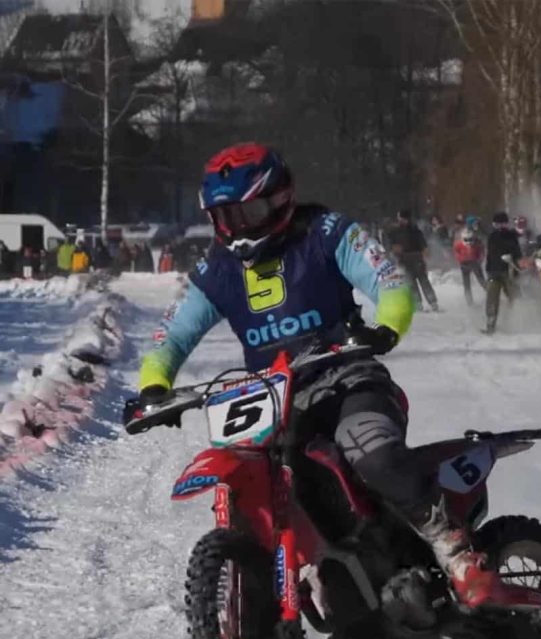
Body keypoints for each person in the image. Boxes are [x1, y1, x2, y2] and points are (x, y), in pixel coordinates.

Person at [124, 142, 512, 610]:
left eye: (250, 211)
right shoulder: (216, 270)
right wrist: (153, 386)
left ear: (281, 198)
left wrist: (386, 326)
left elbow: (390, 281)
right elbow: (172, 335)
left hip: (349, 377)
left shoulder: (327, 232)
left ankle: (455, 548)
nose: (239, 227)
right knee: (257, 480)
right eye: (227, 217)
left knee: (368, 448)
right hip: (275, 401)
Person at [389, 210, 437, 311]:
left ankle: (433, 302)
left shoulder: (414, 230)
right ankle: (417, 303)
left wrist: (425, 251)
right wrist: (393, 250)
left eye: (401, 218)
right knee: (411, 283)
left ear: (405, 218)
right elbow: (391, 244)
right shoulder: (395, 231)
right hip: (404, 260)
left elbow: (423, 243)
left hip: (416, 258)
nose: (400, 220)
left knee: (423, 281)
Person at [483, 211, 521, 335]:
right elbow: (490, 254)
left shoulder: (511, 236)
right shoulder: (492, 236)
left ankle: (517, 321)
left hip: (508, 271)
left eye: (502, 224)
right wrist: (488, 269)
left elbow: (517, 252)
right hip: (494, 271)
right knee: (492, 298)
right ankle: (490, 324)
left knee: (514, 296)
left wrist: (512, 259)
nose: (500, 227)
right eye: (497, 224)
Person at [453, 223, 486, 304]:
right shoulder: (458, 244)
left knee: (481, 280)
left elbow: (482, 252)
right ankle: (469, 301)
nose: (469, 242)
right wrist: (460, 259)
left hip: (475, 263)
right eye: (466, 240)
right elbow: (456, 252)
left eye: (470, 239)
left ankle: (490, 293)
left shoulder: (477, 243)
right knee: (466, 283)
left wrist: (480, 260)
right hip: (464, 264)